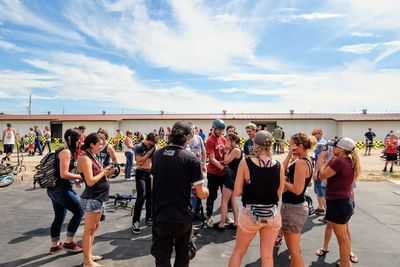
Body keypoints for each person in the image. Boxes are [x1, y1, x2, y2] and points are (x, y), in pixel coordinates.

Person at [151, 121, 209, 267]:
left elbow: (153, 184)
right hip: (181, 216)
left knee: (162, 258)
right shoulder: (191, 159)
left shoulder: (157, 155)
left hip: (160, 214)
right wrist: (205, 189)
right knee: (183, 257)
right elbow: (201, 193)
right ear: (189, 138)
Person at [229, 131, 285, 267]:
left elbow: (237, 192)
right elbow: (278, 193)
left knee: (239, 252)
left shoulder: (245, 163)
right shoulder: (279, 165)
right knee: (267, 256)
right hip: (272, 214)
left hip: (250, 214)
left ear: (255, 144)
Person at [319, 137, 361, 267]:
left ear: (341, 150)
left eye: (335, 147)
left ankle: (345, 264)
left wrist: (327, 161)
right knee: (343, 236)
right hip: (344, 201)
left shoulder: (339, 162)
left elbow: (321, 175)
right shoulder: (350, 160)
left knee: (342, 238)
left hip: (338, 203)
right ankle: (345, 262)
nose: (333, 149)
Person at [78, 133, 115, 267]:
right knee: (88, 231)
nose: (102, 146)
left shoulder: (92, 156)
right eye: (99, 144)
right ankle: (87, 262)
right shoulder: (84, 158)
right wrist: (104, 172)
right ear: (91, 145)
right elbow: (90, 181)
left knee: (94, 228)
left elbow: (97, 176)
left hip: (99, 198)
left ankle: (89, 255)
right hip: (92, 198)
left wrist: (107, 173)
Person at [280, 132, 316, 267]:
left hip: (294, 209)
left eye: (291, 145)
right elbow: (282, 170)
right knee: (295, 249)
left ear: (299, 145)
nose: (290, 147)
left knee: (294, 252)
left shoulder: (301, 163)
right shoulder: (301, 159)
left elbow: (297, 189)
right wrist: (289, 155)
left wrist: (282, 182)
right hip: (292, 207)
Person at [47, 128, 84, 254]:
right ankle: (69, 242)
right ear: (70, 138)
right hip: (61, 189)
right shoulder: (66, 152)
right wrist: (81, 177)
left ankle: (55, 245)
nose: (80, 141)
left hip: (54, 188)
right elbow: (64, 174)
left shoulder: (63, 149)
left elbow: (62, 172)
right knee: (80, 211)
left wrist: (75, 180)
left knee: (59, 217)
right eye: (78, 139)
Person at [214, 133, 242, 231]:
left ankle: (221, 224)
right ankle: (236, 222)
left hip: (231, 178)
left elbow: (226, 161)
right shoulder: (239, 149)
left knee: (224, 201)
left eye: (228, 140)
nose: (226, 142)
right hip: (235, 177)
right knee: (233, 200)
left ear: (233, 141)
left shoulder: (235, 150)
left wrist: (227, 151)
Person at [131, 132, 158, 234]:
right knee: (141, 196)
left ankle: (149, 218)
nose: (151, 146)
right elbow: (139, 162)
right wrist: (148, 154)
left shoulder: (154, 147)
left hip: (150, 173)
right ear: (146, 140)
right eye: (150, 144)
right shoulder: (139, 146)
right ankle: (135, 222)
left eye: (153, 144)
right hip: (140, 173)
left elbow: (154, 162)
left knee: (150, 197)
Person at [205, 119, 227, 227]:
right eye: (218, 129)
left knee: (226, 196)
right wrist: (224, 168)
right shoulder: (210, 140)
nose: (220, 131)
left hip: (223, 173)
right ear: (214, 128)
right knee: (212, 196)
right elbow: (212, 159)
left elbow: (226, 153)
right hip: (213, 173)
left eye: (222, 129)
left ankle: (225, 215)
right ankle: (209, 216)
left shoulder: (223, 139)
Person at [186, 127, 207, 219]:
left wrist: (204, 164)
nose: (193, 130)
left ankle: (197, 211)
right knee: (189, 191)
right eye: (191, 129)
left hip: (197, 168)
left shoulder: (198, 138)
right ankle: (190, 211)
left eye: (194, 129)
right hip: (187, 169)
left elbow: (203, 152)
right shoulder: (185, 139)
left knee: (198, 189)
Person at [311, 128, 328, 215]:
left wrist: (316, 172)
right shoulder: (319, 143)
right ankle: (320, 207)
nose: (312, 135)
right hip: (319, 169)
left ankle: (327, 213)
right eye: (312, 133)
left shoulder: (322, 144)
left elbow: (321, 160)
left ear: (320, 134)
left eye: (314, 133)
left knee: (320, 190)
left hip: (320, 170)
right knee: (317, 189)